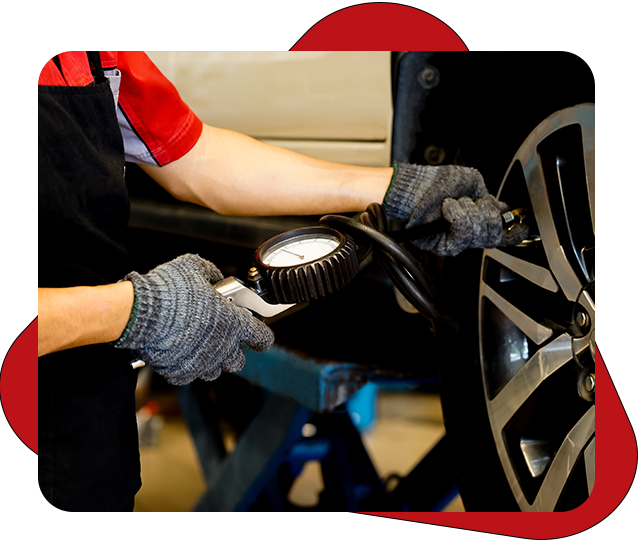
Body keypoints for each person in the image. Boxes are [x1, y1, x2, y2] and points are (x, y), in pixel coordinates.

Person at [38, 51, 527, 512]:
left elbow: (198, 159)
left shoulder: (96, 55)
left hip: (88, 416)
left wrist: (391, 189)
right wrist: (131, 312)